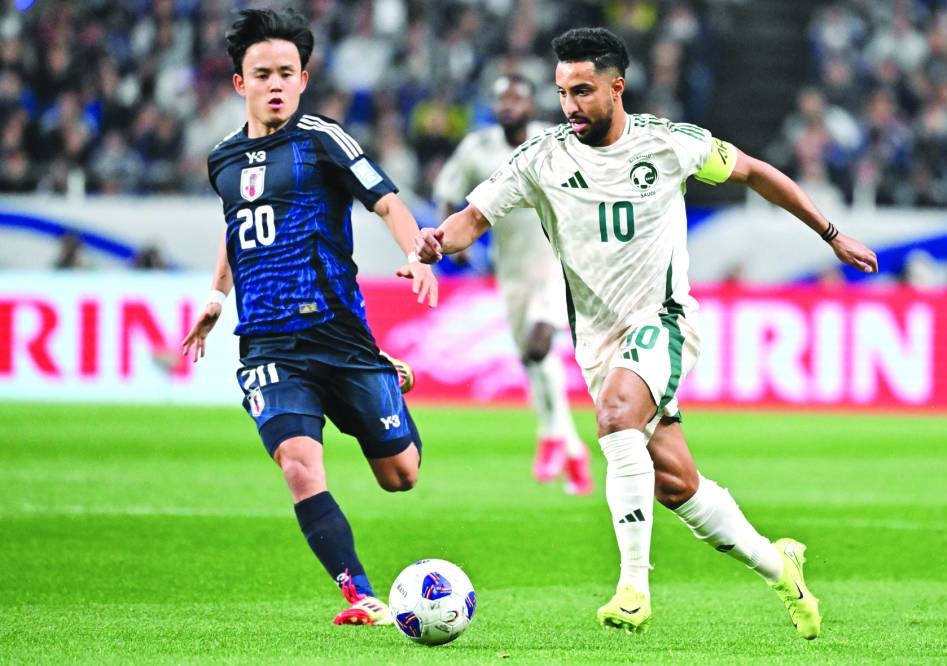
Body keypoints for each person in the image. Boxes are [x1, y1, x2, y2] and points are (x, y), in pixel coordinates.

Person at [416, 27, 879, 639]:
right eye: (562, 92)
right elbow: (473, 217)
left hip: (664, 322)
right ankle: (780, 566)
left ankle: (634, 586)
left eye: (583, 91)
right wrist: (433, 245)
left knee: (614, 419)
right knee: (677, 485)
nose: (570, 106)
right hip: (598, 343)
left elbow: (756, 172)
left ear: (617, 86)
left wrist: (830, 234)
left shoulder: (669, 145)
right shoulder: (542, 159)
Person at [181, 8, 436, 627]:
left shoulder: (323, 139)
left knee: (401, 475)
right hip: (268, 344)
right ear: (240, 83)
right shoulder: (222, 160)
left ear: (303, 79)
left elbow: (387, 200)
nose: (275, 84)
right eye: (261, 73)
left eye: (286, 73)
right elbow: (236, 228)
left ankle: (383, 378)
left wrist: (414, 253)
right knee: (299, 462)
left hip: (339, 334)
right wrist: (216, 298)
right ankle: (361, 596)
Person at [434, 74, 593, 495]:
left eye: (516, 97)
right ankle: (570, 446)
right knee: (533, 360)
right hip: (513, 269)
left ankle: (552, 438)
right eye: (501, 97)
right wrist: (457, 242)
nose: (508, 104)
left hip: (561, 263)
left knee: (540, 345)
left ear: (530, 105)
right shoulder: (478, 148)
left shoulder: (555, 140)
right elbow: (449, 191)